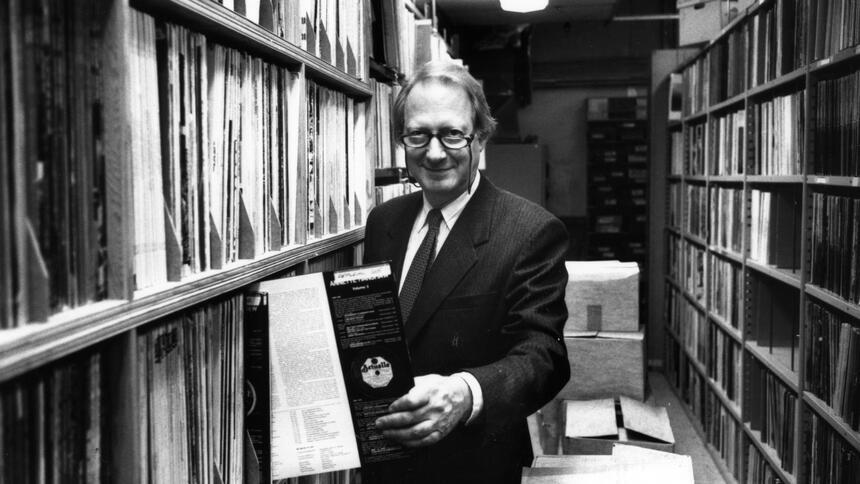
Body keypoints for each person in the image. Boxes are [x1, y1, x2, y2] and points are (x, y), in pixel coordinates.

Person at [362, 60, 570, 484]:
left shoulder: (530, 231)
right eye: (418, 134)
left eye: (452, 134)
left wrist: (465, 392)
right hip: (384, 461)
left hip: (472, 466)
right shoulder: (383, 221)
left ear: (481, 138)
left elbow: (544, 356)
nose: (434, 152)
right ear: (402, 140)